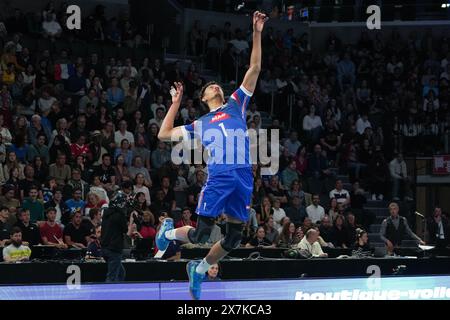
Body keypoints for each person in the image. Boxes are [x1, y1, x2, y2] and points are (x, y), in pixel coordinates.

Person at [156, 11, 267, 300]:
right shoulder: (199, 124)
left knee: (233, 238)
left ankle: (200, 269)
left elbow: (254, 68)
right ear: (204, 98)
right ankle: (167, 233)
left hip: (243, 175)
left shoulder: (236, 104)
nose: (215, 86)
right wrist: (175, 103)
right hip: (219, 176)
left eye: (216, 85)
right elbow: (164, 135)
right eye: (209, 88)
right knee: (200, 235)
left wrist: (256, 32)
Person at [100, 189, 130, 282]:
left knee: (121, 274)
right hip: (114, 249)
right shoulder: (119, 215)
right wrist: (131, 220)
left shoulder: (106, 213)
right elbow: (126, 230)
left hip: (105, 248)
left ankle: (118, 293)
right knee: (111, 277)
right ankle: (108, 295)